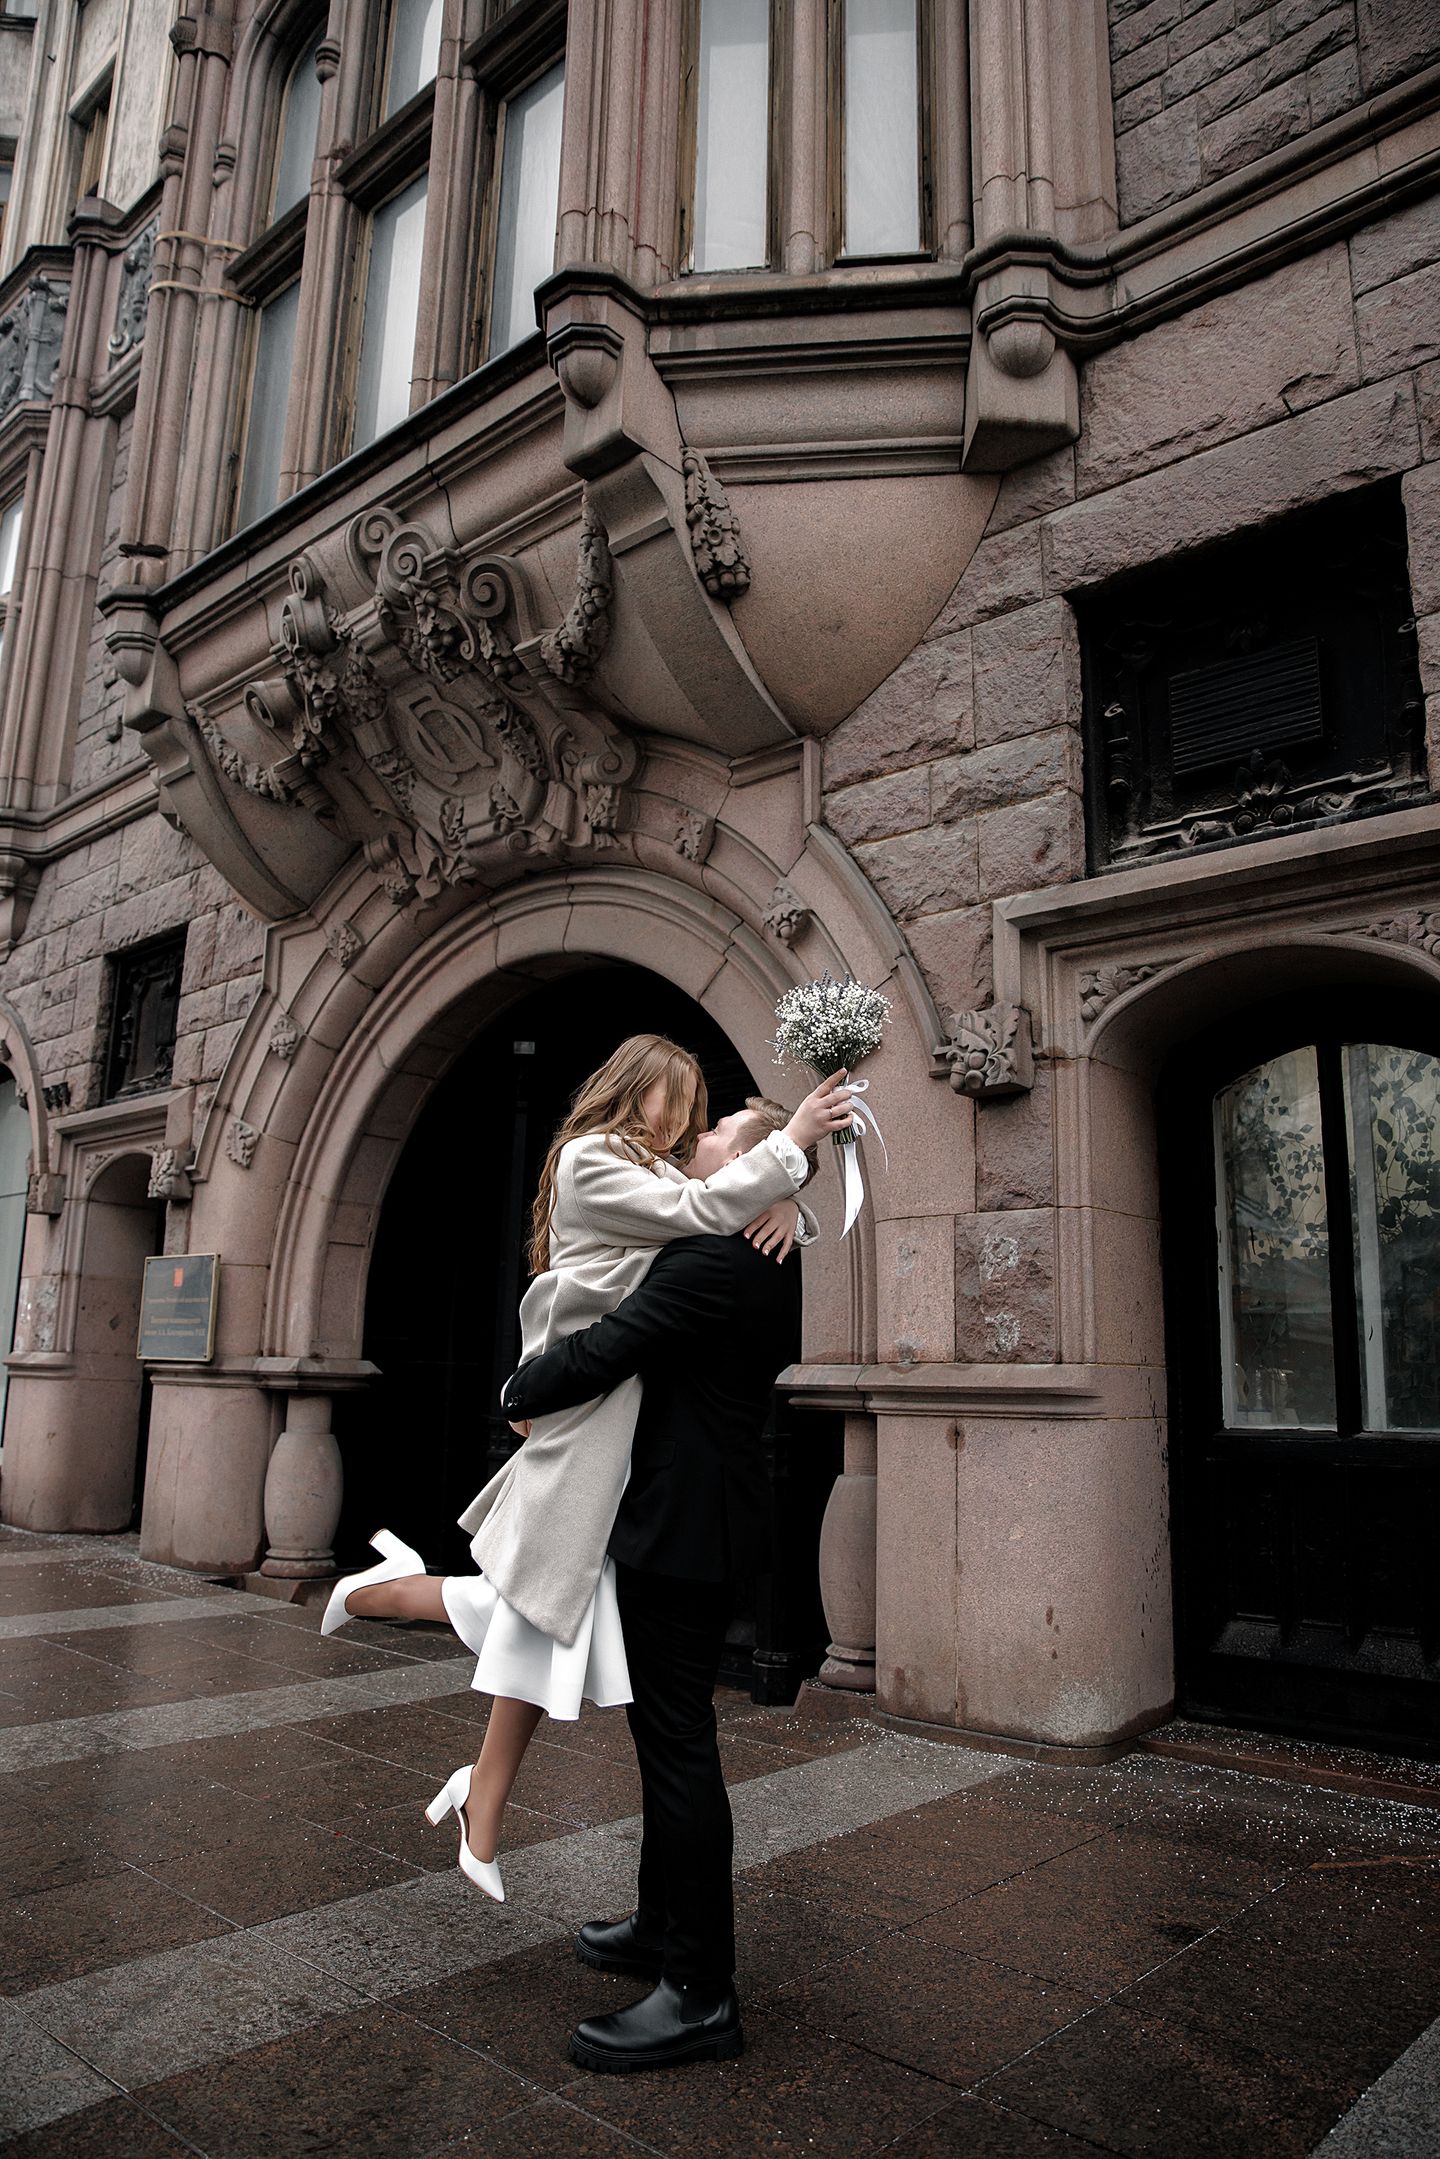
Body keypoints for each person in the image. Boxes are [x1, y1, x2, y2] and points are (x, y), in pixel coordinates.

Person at [320, 1035, 852, 1902]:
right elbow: (706, 1204)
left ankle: (477, 1777)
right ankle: (415, 1650)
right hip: (581, 1401)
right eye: (681, 1099)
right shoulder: (594, 1158)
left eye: (707, 1114)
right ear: (635, 1089)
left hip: (613, 1415)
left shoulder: (662, 1176)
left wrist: (793, 1196)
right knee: (541, 1604)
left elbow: (721, 1195)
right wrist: (787, 1153)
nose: (692, 1122)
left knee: (545, 1607)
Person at [498, 1097, 816, 2074]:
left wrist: (520, 1388)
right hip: (708, 1516)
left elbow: (613, 1344)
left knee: (678, 1742)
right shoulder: (765, 1246)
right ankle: (657, 1924)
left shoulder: (712, 1257)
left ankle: (699, 1991)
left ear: (749, 1158)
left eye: (716, 1131)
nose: (697, 1138)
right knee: (666, 1732)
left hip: (682, 1526)